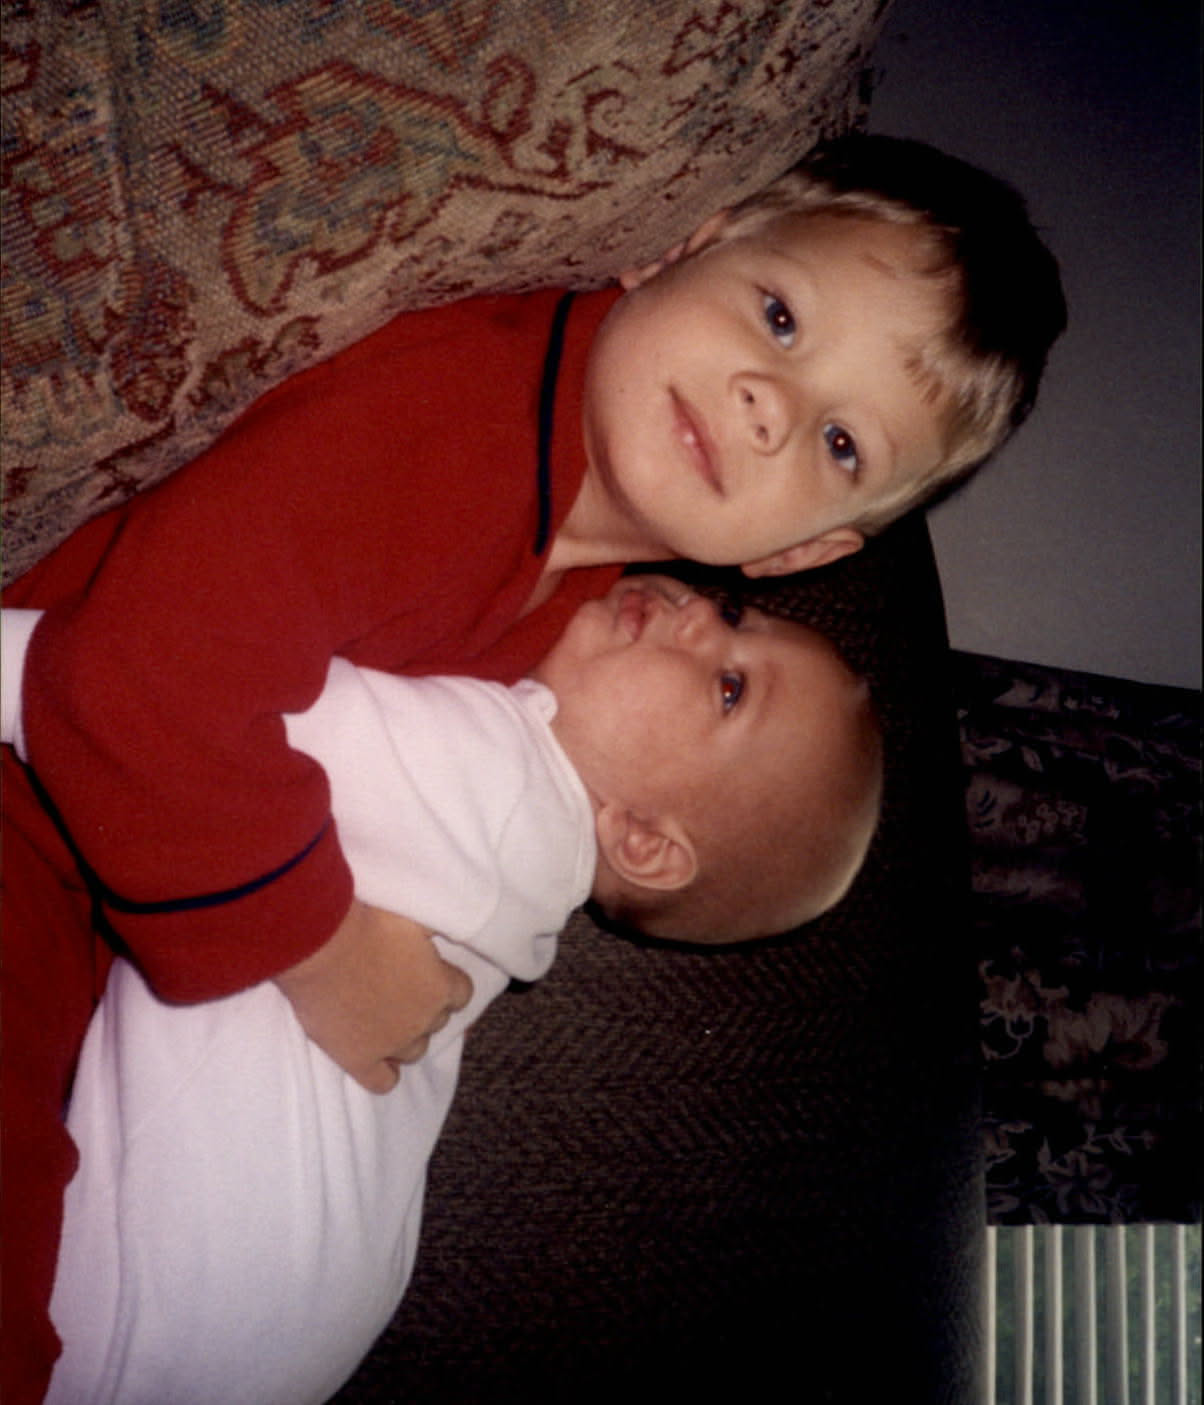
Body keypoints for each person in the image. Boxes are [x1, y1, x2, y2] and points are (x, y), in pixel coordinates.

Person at [0, 133, 1066, 1403]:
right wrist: (321, 948)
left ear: (800, 555)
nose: (770, 404)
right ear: (684, 247)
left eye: (839, 442)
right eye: (779, 317)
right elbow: (125, 675)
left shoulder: (574, 629)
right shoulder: (463, 418)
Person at [3, 572, 883, 1404]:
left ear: (645, 842)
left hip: (179, 1291)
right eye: (733, 611)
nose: (696, 614)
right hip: (269, 1325)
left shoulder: (502, 778)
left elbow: (165, 697)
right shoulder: (518, 865)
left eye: (729, 689)